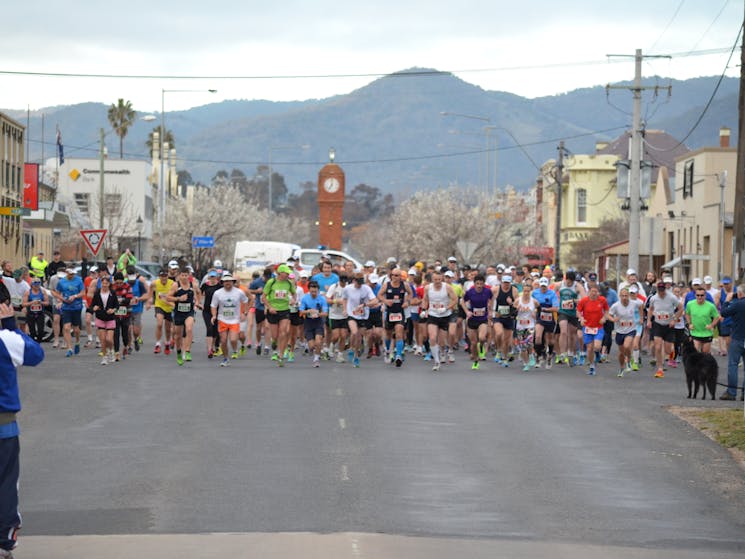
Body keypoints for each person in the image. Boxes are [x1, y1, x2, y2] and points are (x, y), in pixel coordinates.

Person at [0, 302, 45, 558]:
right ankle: (4, 542)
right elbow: (35, 355)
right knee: (5, 483)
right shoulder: (5, 339)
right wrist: (10, 326)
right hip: (3, 425)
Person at [646, 280, 684, 379]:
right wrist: (649, 320)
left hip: (669, 325)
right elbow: (650, 309)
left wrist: (674, 320)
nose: (661, 292)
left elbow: (681, 308)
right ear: (657, 289)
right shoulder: (653, 298)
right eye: (659, 290)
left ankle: (668, 357)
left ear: (665, 289)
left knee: (668, 349)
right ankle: (660, 368)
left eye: (663, 290)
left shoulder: (671, 297)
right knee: (658, 346)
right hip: (658, 324)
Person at [210, 272, 249, 367]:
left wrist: (244, 312)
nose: (228, 283)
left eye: (230, 281)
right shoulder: (218, 293)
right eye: (226, 281)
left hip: (234, 320)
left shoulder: (239, 292)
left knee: (233, 339)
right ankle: (226, 358)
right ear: (222, 282)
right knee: (223, 341)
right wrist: (214, 315)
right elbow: (213, 305)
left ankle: (235, 349)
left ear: (233, 282)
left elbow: (246, 301)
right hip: (222, 319)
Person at [422, 270, 457, 371]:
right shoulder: (428, 288)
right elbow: (425, 299)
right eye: (435, 279)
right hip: (432, 315)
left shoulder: (447, 287)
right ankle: (436, 361)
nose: (437, 281)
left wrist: (447, 308)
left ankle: (442, 352)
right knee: (432, 338)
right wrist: (424, 310)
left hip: (445, 315)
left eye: (439, 279)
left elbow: (455, 299)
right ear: (432, 279)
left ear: (442, 279)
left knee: (442, 341)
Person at [262, 264, 297, 367]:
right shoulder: (271, 282)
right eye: (286, 273)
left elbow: (294, 294)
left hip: (284, 310)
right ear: (280, 273)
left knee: (284, 332)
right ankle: (274, 342)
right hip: (273, 311)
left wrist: (293, 300)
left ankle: (281, 355)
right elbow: (264, 297)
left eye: (288, 274)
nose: (287, 275)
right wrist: (269, 307)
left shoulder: (289, 283)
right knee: (275, 335)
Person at [343, 272, 378, 367]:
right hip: (352, 313)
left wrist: (365, 304)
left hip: (363, 315)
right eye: (358, 282)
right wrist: (345, 309)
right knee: (354, 332)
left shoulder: (366, 288)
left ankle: (355, 356)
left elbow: (375, 300)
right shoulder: (348, 289)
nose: (360, 285)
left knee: (359, 337)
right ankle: (350, 347)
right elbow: (344, 299)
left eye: (361, 282)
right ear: (354, 281)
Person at [166, 267, 200, 365]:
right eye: (182, 275)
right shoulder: (176, 285)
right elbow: (168, 297)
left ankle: (188, 351)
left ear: (189, 276)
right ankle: (179, 353)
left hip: (189, 311)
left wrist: (197, 302)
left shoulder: (193, 285)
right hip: (178, 313)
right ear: (179, 276)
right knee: (178, 336)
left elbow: (198, 293)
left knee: (189, 329)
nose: (184, 277)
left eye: (186, 275)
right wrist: (178, 298)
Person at [608, 287, 644, 377]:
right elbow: (608, 315)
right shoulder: (616, 306)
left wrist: (641, 317)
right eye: (623, 296)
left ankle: (629, 360)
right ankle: (621, 367)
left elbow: (641, 306)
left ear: (628, 296)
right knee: (621, 353)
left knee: (627, 345)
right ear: (620, 296)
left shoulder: (634, 303)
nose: (624, 297)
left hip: (631, 330)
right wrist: (613, 319)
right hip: (619, 331)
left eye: (626, 295)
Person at [719, 283, 745, 401]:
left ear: (739, 293)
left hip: (737, 338)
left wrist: (727, 300)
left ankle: (731, 392)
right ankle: (744, 393)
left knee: (733, 365)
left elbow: (723, 313)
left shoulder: (737, 304)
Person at [461, 274, 492, 371]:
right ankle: (475, 361)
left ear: (483, 284)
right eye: (477, 284)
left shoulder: (487, 291)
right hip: (472, 319)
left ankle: (482, 346)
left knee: (482, 337)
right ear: (474, 284)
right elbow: (462, 301)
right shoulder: (470, 292)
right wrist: (467, 311)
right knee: (473, 343)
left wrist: (490, 310)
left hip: (483, 318)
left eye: (481, 284)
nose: (479, 286)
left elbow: (492, 299)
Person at [577, 284, 609, 376]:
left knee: (597, 346)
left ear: (598, 292)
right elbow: (578, 311)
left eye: (596, 292)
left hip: (598, 327)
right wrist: (581, 319)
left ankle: (598, 353)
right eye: (592, 291)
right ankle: (591, 366)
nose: (594, 293)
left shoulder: (602, 300)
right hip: (587, 328)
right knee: (590, 348)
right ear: (589, 292)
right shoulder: (584, 301)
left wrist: (604, 318)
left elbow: (607, 310)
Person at [52, 267, 85, 357]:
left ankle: (77, 342)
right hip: (66, 307)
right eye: (70, 274)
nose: (72, 275)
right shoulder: (62, 282)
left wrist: (75, 296)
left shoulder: (79, 280)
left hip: (77, 307)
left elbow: (83, 293)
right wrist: (61, 300)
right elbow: (56, 292)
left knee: (76, 329)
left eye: (73, 274)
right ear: (66, 273)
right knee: (66, 328)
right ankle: (69, 348)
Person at [298, 280, 328, 367]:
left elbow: (325, 313)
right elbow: (301, 312)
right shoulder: (305, 298)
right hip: (308, 322)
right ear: (309, 290)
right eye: (312, 292)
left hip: (318, 322)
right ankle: (311, 349)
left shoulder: (322, 299)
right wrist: (308, 311)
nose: (313, 293)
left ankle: (316, 359)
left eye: (315, 291)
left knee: (318, 342)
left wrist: (318, 313)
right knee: (312, 346)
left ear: (318, 290)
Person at [89, 275, 118, 365]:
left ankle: (112, 351)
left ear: (109, 284)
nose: (104, 285)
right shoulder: (97, 293)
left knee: (109, 339)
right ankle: (104, 357)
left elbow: (117, 306)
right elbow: (92, 305)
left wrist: (113, 310)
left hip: (110, 318)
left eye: (106, 283)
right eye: (103, 283)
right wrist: (94, 308)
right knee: (103, 340)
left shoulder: (112, 293)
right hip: (100, 317)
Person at [147, 269, 175, 355]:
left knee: (167, 328)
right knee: (159, 323)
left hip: (169, 306)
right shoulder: (155, 283)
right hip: (159, 305)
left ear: (167, 276)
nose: (164, 278)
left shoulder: (172, 284)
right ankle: (158, 344)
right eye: (162, 276)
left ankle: (167, 343)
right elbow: (150, 289)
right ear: (159, 277)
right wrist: (149, 300)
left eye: (165, 276)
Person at [685, 286, 720, 354]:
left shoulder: (711, 306)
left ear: (705, 296)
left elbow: (717, 317)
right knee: (695, 353)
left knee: (705, 353)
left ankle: (707, 363)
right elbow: (687, 314)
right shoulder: (690, 304)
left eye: (702, 295)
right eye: (698, 295)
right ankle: (696, 364)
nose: (700, 297)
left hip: (707, 333)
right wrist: (689, 323)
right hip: (695, 332)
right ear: (695, 295)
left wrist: (712, 325)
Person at [514, 281, 540, 371]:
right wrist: (516, 309)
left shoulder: (534, 301)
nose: (526, 293)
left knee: (529, 342)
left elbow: (539, 309)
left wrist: (535, 312)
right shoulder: (518, 300)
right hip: (520, 325)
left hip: (530, 325)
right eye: (525, 291)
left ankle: (532, 355)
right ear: (522, 291)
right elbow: (512, 313)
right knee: (523, 346)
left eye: (528, 291)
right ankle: (526, 363)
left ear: (530, 292)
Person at [111, 272, 133, 362]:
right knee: (115, 334)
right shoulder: (112, 287)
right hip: (115, 314)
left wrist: (119, 300)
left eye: (121, 283)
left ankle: (125, 346)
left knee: (125, 333)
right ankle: (116, 352)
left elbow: (128, 300)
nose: (119, 285)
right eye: (117, 283)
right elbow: (111, 300)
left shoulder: (128, 287)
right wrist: (120, 300)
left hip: (126, 313)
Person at [200, 270, 222, 358]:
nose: (212, 278)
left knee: (215, 330)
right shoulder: (205, 285)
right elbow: (199, 294)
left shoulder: (220, 286)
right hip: (206, 310)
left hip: (217, 310)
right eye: (211, 277)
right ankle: (209, 349)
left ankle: (213, 346)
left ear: (216, 277)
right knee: (209, 328)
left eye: (214, 277)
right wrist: (199, 303)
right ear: (208, 277)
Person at [22, 278, 48, 343]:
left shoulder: (43, 292)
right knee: (32, 332)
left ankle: (38, 343)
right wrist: (32, 302)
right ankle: (34, 344)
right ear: (32, 285)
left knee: (40, 331)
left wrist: (41, 302)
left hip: (40, 313)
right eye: (35, 285)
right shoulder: (28, 292)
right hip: (31, 314)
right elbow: (23, 304)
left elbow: (47, 303)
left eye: (38, 285)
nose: (36, 287)